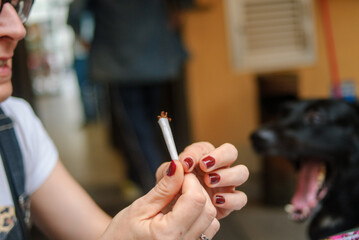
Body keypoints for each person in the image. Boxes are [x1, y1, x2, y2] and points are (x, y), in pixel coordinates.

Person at [0, 1, 249, 240]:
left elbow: (100, 234)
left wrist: (164, 211)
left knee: (138, 131)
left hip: (120, 59)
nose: (18, 29)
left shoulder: (17, 124)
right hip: (156, 57)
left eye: (17, 5)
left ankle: (149, 182)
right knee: (144, 129)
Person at [68, 0, 193, 191]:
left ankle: (159, 187)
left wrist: (82, 35)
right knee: (155, 123)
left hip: (120, 59)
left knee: (137, 130)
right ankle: (151, 179)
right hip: (157, 52)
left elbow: (76, 12)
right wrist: (177, 13)